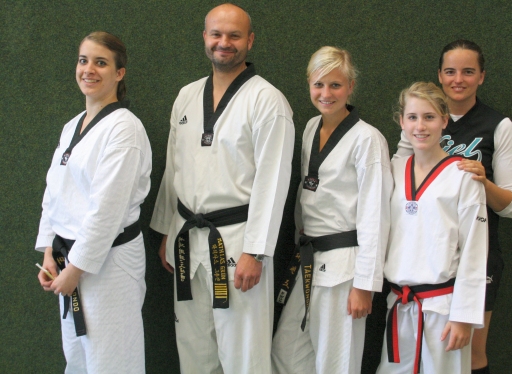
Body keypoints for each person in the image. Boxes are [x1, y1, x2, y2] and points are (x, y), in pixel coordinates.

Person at [149, 3, 294, 373]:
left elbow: (273, 182)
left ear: (250, 40)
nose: (223, 42)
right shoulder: (186, 95)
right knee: (194, 349)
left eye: (233, 35)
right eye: (216, 34)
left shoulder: (267, 101)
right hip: (187, 239)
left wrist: (256, 251)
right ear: (204, 37)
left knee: (243, 354)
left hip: (238, 243)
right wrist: (168, 227)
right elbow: (174, 166)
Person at [394, 40, 512, 374]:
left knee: (470, 353)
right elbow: (405, 186)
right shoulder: (418, 122)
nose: (458, 79)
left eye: (468, 71)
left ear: (481, 76)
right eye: (450, 71)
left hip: (475, 251)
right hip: (422, 259)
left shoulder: (498, 125)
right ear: (439, 75)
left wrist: (482, 181)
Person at [271, 46, 393, 374]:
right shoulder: (311, 127)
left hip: (345, 268)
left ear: (351, 86)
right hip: (309, 259)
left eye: (336, 85)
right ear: (309, 84)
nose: (326, 93)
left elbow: (376, 215)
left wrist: (365, 285)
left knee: (336, 363)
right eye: (319, 84)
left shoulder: (368, 140)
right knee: (287, 354)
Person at [36, 31, 152, 373]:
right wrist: (48, 251)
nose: (89, 69)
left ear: (119, 73)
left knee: (113, 360)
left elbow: (108, 210)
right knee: (78, 359)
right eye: (83, 60)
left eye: (101, 62)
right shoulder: (73, 126)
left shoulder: (124, 130)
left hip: (111, 264)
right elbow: (54, 190)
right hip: (70, 259)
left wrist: (74, 269)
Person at [377, 82, 488, 374]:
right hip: (400, 303)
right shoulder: (393, 169)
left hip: (444, 309)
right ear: (401, 122)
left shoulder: (463, 175)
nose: (420, 126)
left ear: (444, 120)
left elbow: (475, 251)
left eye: (429, 117)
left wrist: (464, 316)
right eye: (412, 117)